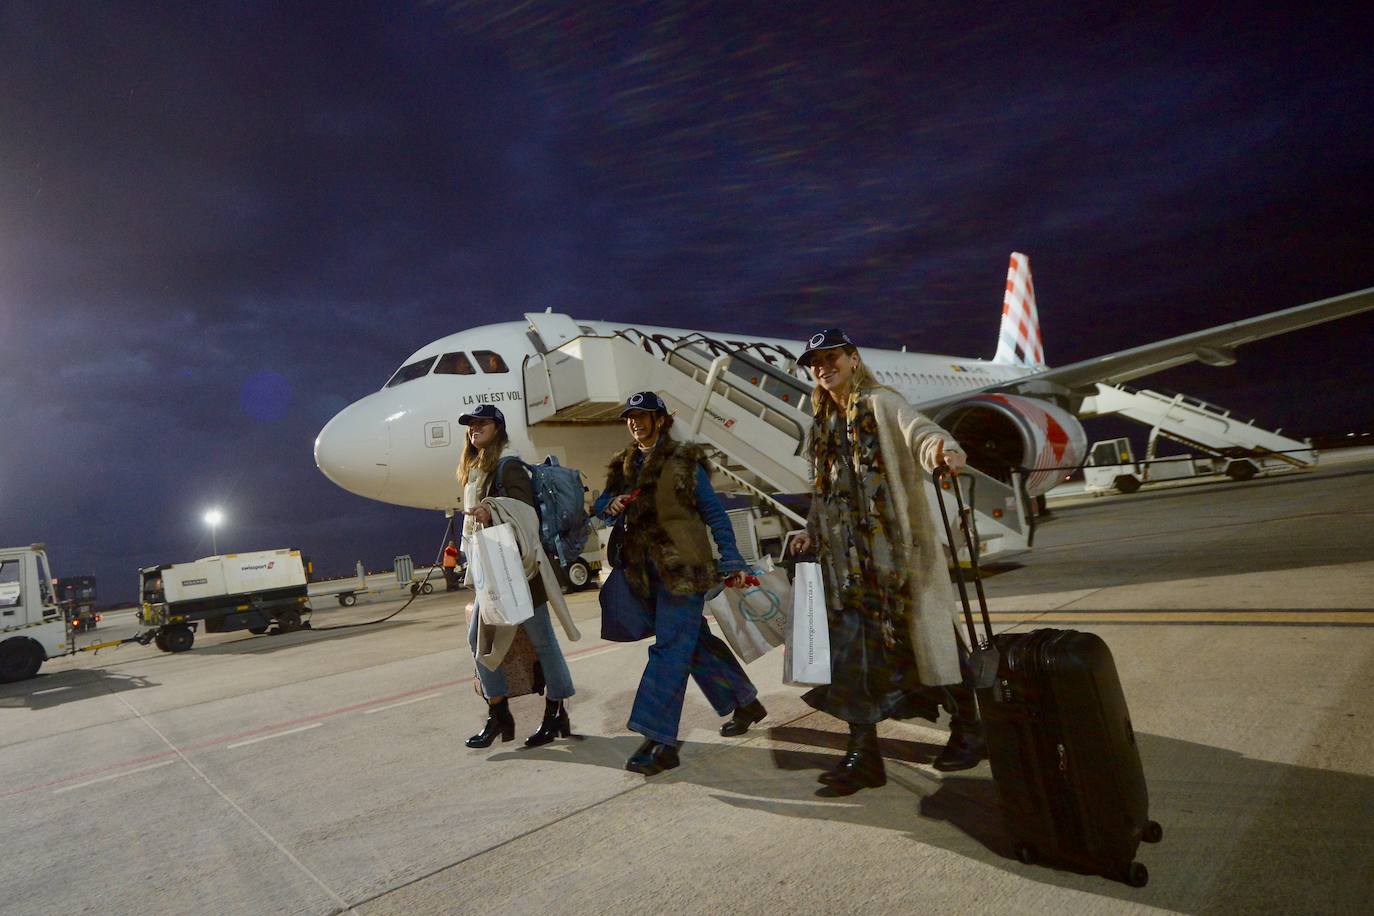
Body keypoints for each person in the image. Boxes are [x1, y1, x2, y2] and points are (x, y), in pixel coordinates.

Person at [788, 329, 986, 795]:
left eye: (830, 357)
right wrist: (810, 530)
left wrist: (943, 450)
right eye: (814, 362)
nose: (821, 367)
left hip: (894, 555)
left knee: (931, 646)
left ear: (853, 359)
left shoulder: (879, 402)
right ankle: (864, 756)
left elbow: (920, 431)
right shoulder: (820, 424)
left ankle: (971, 726)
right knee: (854, 658)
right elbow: (825, 492)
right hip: (847, 564)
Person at [594, 391, 766, 776]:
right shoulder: (624, 464)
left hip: (683, 570)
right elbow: (601, 505)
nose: (635, 423)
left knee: (670, 648)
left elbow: (714, 513)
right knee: (694, 643)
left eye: (642, 416)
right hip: (644, 572)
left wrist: (732, 558)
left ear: (659, 420)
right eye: (630, 417)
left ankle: (660, 739)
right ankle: (745, 701)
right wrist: (611, 503)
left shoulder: (684, 461)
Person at [458, 404, 579, 749]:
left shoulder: (508, 466)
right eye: (470, 424)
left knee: (543, 642)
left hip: (521, 573)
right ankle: (499, 713)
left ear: (498, 427)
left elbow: (526, 515)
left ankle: (555, 710)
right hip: (493, 573)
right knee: (478, 640)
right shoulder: (477, 470)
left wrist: (491, 509)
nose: (474, 428)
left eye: (481, 423)